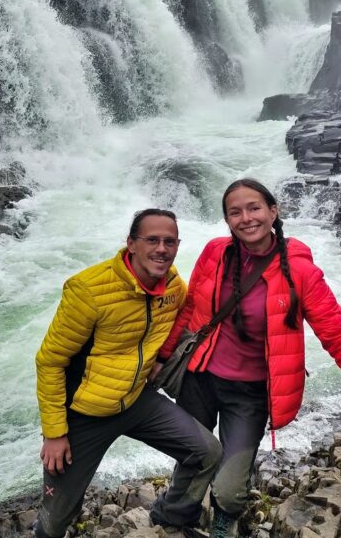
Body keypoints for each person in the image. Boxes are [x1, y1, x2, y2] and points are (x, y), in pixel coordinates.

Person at [151, 179, 341, 538]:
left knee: (230, 487)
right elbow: (190, 310)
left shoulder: (301, 272)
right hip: (199, 378)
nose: (246, 218)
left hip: (249, 394)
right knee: (193, 457)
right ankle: (172, 518)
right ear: (227, 221)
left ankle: (225, 517)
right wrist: (163, 358)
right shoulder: (215, 252)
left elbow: (340, 338)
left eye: (254, 208)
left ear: (273, 211)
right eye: (235, 212)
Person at [34, 208, 223, 538]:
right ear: (131, 244)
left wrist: (162, 360)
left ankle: (171, 517)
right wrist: (54, 433)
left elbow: (188, 321)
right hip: (83, 414)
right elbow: (50, 362)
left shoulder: (174, 290)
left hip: (137, 400)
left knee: (207, 452)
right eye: (152, 239)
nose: (161, 249)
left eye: (170, 241)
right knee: (54, 522)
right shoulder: (89, 290)